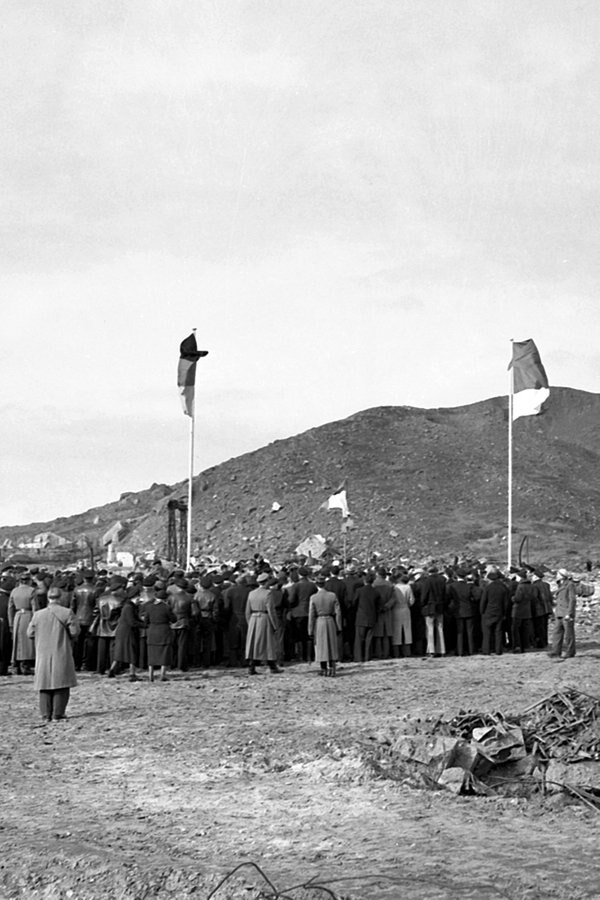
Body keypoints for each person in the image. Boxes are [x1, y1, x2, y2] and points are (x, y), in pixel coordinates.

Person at [26, 586, 79, 722]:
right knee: (61, 682)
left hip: (43, 651)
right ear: (60, 597)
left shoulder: (38, 614)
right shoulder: (67, 612)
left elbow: (30, 633)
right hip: (61, 650)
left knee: (44, 683)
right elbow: (74, 632)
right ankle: (58, 713)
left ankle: (45, 714)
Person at [245, 572, 282, 675]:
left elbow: (247, 610)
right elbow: (271, 610)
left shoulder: (251, 593)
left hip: (253, 619)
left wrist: (250, 622)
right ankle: (272, 666)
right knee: (268, 643)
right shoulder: (268, 593)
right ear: (266, 582)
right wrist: (275, 624)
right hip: (264, 618)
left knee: (253, 644)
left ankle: (251, 667)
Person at [308, 573, 342, 676]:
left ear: (316, 585)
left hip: (320, 622)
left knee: (321, 646)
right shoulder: (332, 595)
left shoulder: (313, 597)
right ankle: (332, 667)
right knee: (332, 645)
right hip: (330, 621)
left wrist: (310, 629)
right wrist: (339, 626)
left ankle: (324, 669)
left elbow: (311, 615)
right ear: (325, 584)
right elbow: (338, 612)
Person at [8, 572, 38, 675]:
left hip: (17, 616)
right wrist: (35, 621)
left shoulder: (14, 591)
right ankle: (26, 664)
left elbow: (10, 608)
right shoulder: (31, 591)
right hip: (28, 616)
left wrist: (11, 622)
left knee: (17, 641)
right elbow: (35, 607)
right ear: (29, 580)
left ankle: (17, 663)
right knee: (27, 642)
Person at [480, 568, 510, 655]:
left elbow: (483, 601)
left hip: (488, 612)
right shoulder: (503, 588)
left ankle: (487, 650)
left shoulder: (488, 588)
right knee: (498, 632)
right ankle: (498, 650)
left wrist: (482, 611)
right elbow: (506, 602)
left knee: (487, 632)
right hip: (499, 612)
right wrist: (504, 613)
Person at [550, 568, 577, 659]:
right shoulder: (559, 585)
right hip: (559, 612)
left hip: (566, 613)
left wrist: (569, 613)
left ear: (562, 576)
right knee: (557, 632)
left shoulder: (570, 585)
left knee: (569, 634)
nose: (556, 576)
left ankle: (570, 652)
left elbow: (572, 600)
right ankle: (555, 652)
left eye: (558, 574)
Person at [420, 566, 447, 657]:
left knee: (430, 629)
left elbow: (424, 595)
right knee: (440, 628)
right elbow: (444, 594)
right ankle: (442, 650)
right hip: (440, 606)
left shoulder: (427, 581)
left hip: (430, 606)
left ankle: (431, 650)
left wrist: (423, 604)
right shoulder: (442, 580)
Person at [389, 573, 414, 657]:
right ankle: (407, 652)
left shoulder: (394, 587)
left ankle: (396, 652)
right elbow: (412, 600)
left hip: (396, 609)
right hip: (405, 609)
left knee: (396, 631)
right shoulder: (408, 587)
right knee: (407, 630)